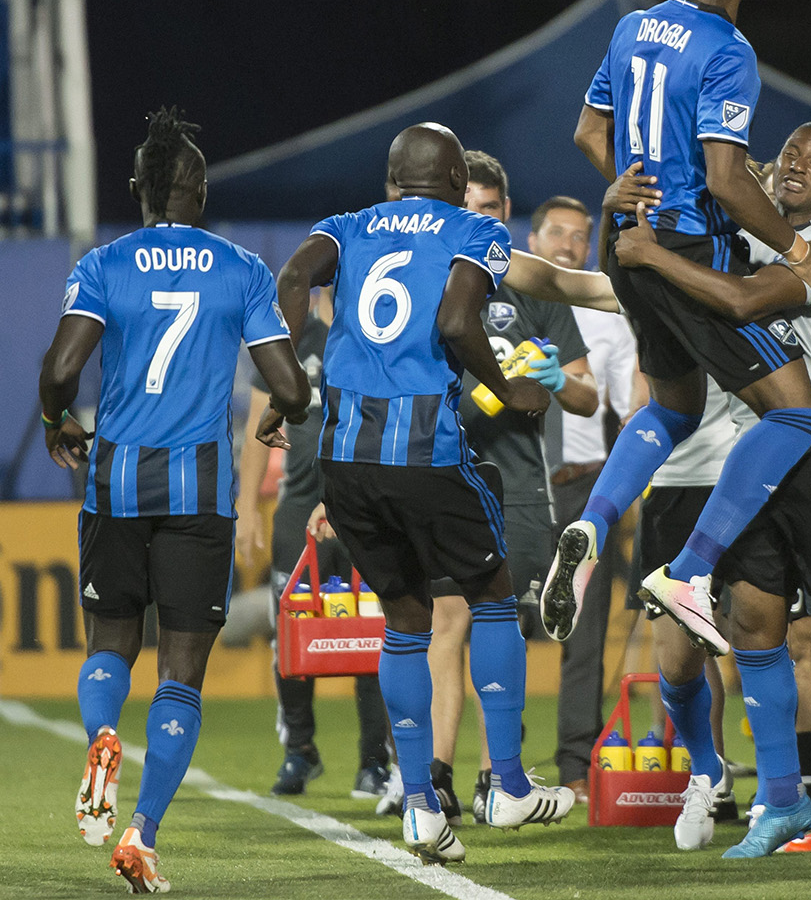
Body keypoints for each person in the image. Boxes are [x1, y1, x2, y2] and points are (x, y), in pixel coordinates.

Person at [616, 121, 811, 858]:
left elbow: (743, 302)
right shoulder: (749, 235)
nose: (794, 166)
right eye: (788, 155)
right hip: (754, 462)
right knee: (757, 628)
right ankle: (781, 800)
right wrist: (623, 204)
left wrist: (653, 252)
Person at [544, 0, 811, 657]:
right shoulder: (729, 49)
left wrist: (627, 190)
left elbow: (588, 132)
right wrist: (796, 249)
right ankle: (691, 571)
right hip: (686, 251)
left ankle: (593, 519)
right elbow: (727, 178)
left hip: (627, 239)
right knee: (796, 414)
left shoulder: (633, 27)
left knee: (675, 407)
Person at [273, 122, 570, 864]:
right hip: (425, 449)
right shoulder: (473, 228)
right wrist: (506, 388)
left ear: (392, 177)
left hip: (345, 460)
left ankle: (416, 802)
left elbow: (288, 279)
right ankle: (505, 782)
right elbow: (455, 319)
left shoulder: (346, 226)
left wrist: (284, 390)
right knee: (493, 591)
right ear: (455, 174)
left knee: (405, 616)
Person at [42, 107, 311, 893]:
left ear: (138, 190)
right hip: (197, 490)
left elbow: (61, 368)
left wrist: (60, 419)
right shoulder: (241, 269)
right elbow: (290, 384)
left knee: (109, 644)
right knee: (181, 673)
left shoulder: (103, 264)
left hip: (115, 482)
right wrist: (278, 414)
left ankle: (101, 736)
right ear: (199, 189)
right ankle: (143, 832)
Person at [427, 151, 599, 825]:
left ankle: (496, 776)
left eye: (492, 210)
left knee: (505, 625)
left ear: (506, 216)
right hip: (447, 475)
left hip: (522, 488)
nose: (480, 220)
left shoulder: (531, 294)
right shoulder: (432, 284)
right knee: (448, 621)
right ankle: (438, 774)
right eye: (468, 207)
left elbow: (587, 396)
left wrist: (558, 381)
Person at [236, 287, 391, 798]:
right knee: (292, 639)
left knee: (374, 637)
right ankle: (299, 751)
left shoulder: (380, 337)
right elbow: (260, 423)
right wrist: (246, 511)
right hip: (299, 514)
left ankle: (375, 761)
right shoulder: (292, 341)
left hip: (367, 512)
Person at [529, 192, 644, 803]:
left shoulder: (610, 309)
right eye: (558, 233)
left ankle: (576, 763)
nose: (570, 245)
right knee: (488, 619)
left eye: (580, 235)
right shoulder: (502, 300)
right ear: (535, 238)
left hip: (584, 487)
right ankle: (501, 761)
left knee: (585, 632)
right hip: (513, 484)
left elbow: (629, 409)